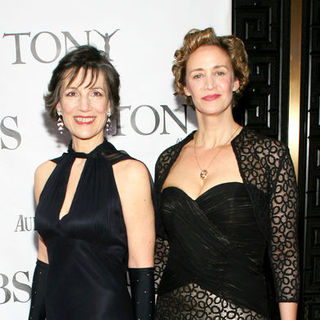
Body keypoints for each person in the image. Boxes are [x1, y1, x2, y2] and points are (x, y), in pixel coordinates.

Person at [154, 28, 299, 320]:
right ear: (184, 87)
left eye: (219, 72)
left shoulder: (268, 155)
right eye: (197, 75)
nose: (209, 84)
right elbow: (161, 248)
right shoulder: (168, 159)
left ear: (236, 80)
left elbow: (284, 254)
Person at [28, 45, 155, 320]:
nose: (84, 106)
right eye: (72, 93)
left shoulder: (130, 173)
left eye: (95, 93)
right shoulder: (44, 174)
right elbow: (45, 263)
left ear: (109, 104)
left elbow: (142, 271)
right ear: (58, 104)